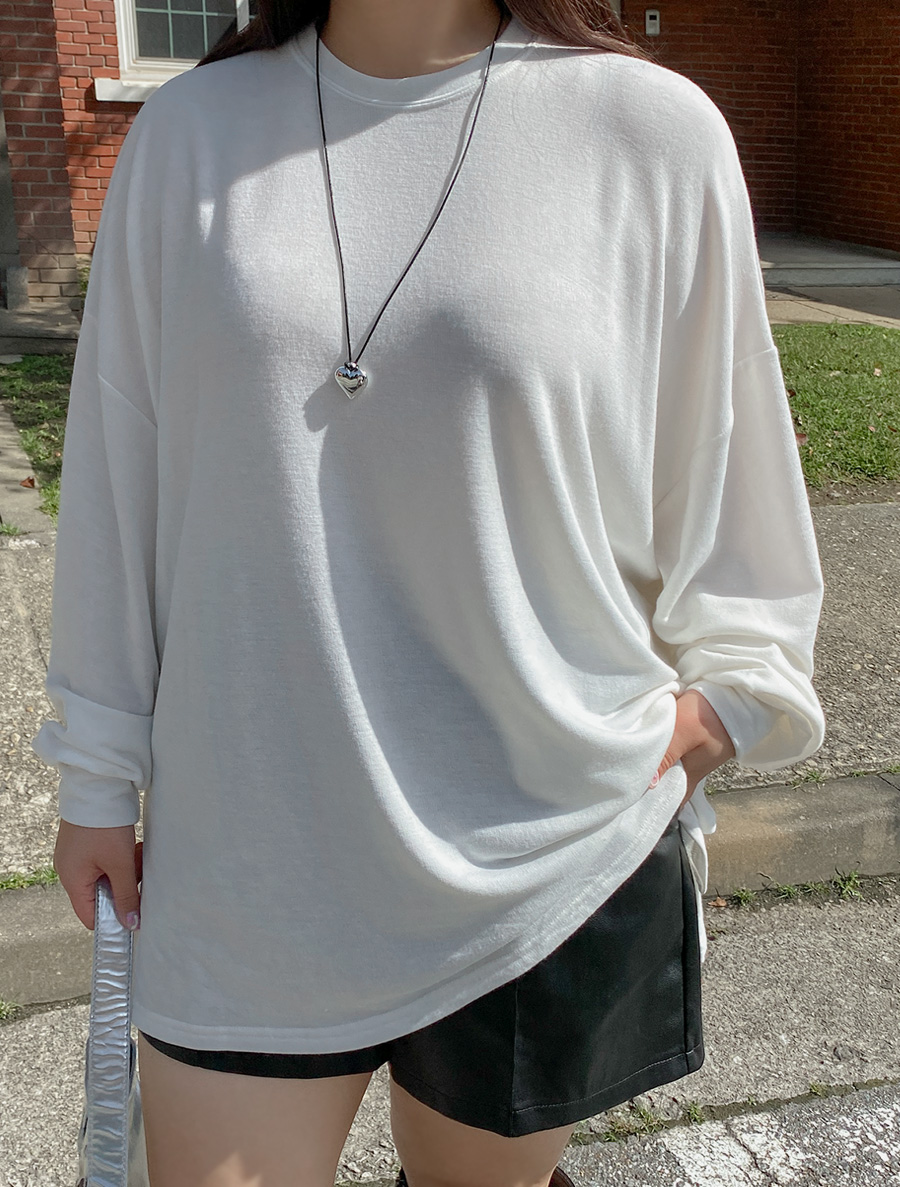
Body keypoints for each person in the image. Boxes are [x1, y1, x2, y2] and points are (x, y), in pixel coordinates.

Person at [35, 1, 826, 1184]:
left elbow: (730, 475)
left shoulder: (650, 132)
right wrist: (98, 772)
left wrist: (720, 708)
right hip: (251, 853)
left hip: (541, 850)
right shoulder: (189, 137)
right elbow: (116, 481)